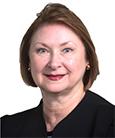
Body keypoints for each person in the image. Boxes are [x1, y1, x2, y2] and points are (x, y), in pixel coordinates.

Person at [1, 3, 114, 138]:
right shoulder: (5, 129)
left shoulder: (110, 126)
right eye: (42, 50)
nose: (54, 64)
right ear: (28, 61)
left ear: (88, 59)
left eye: (67, 50)